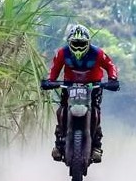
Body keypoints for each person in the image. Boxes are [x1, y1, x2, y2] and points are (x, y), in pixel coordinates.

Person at [42, 24, 120, 164]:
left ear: (88, 43)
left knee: (95, 110)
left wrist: (112, 80)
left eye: (82, 43)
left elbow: (110, 65)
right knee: (62, 110)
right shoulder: (62, 53)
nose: (78, 47)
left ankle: (97, 145)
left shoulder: (97, 53)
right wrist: (49, 81)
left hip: (93, 86)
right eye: (75, 43)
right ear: (69, 43)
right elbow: (54, 69)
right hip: (69, 85)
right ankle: (59, 143)